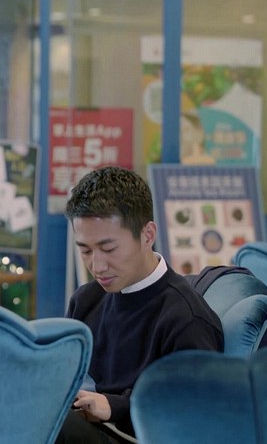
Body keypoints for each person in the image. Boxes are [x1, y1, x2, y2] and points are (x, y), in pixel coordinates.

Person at [55, 166, 223, 443]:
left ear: (148, 235)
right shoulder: (85, 300)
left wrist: (116, 406)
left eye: (109, 249)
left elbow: (195, 412)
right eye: (85, 250)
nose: (97, 266)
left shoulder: (187, 319)